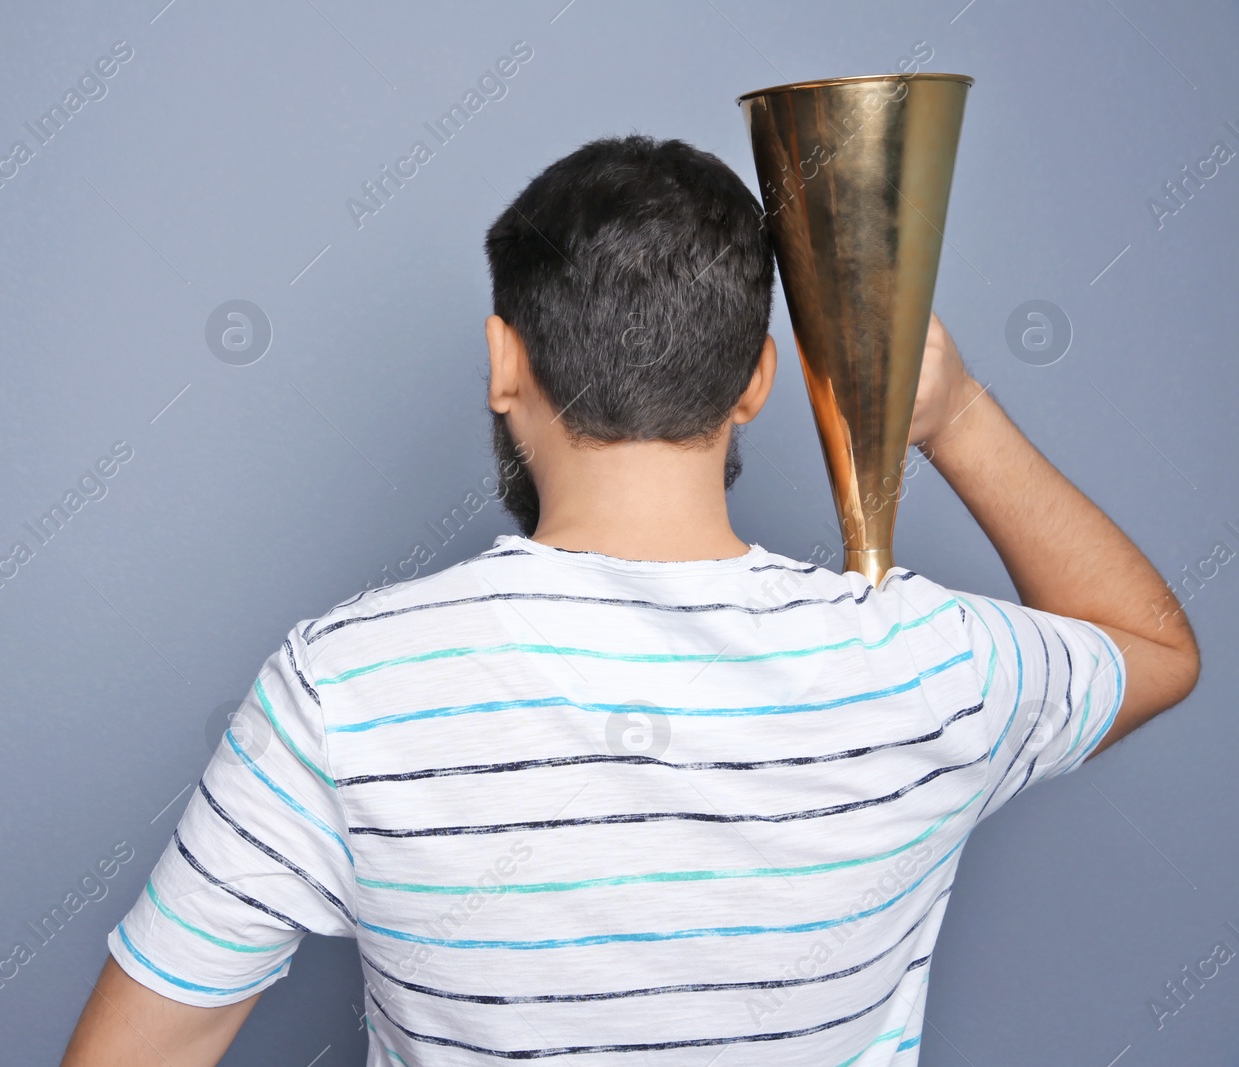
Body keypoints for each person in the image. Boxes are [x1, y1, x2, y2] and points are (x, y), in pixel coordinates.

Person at [59, 135, 1200, 1066]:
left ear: (504, 360)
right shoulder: (922, 663)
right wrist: (951, 412)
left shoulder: (339, 688)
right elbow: (1153, 645)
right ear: (759, 378)